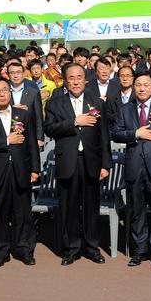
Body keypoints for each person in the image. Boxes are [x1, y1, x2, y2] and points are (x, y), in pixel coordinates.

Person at [44, 64, 111, 266]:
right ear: (65, 80)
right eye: (71, 78)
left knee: (92, 207)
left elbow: (104, 136)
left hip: (91, 162)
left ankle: (92, 247)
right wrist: (74, 121)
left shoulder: (96, 102)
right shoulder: (55, 103)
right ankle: (71, 248)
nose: (75, 81)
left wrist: (105, 164)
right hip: (68, 161)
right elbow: (49, 129)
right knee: (69, 206)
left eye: (79, 77)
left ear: (85, 79)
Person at [111, 71, 151, 267]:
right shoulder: (125, 109)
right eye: (138, 84)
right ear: (133, 86)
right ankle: (139, 250)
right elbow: (115, 134)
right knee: (136, 211)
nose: (142, 88)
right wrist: (135, 134)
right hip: (134, 167)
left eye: (146, 84)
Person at [0, 76, 40, 268]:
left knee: (23, 214)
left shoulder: (23, 114)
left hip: (21, 170)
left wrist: (35, 169)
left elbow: (32, 144)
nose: (2, 93)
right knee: (0, 214)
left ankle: (24, 250)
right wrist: (6, 140)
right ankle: (1, 251)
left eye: (5, 89)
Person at [8, 63, 44, 149]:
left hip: (29, 133)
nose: (15, 75)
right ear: (8, 75)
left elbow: (38, 116)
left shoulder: (33, 92)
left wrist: (39, 138)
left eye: (18, 72)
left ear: (24, 74)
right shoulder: (4, 91)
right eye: (12, 73)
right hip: (9, 134)